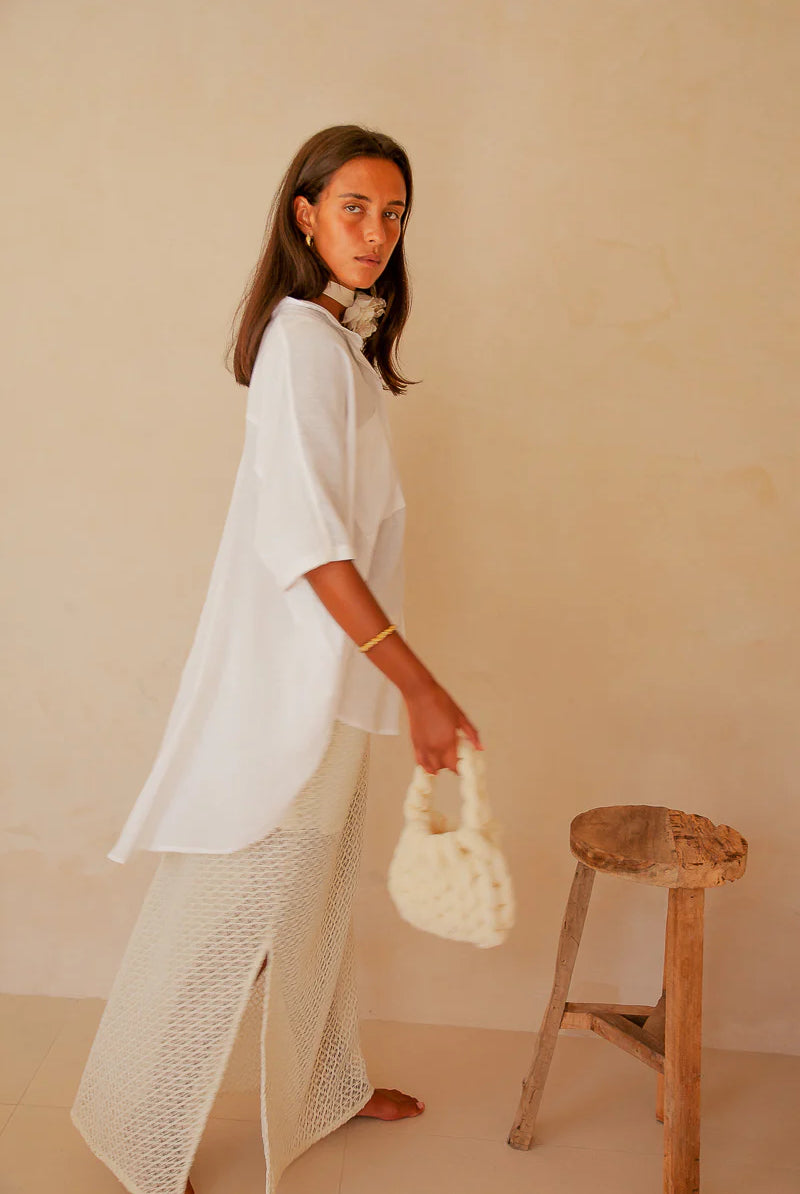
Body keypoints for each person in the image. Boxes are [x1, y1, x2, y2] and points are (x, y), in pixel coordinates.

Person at [70, 124, 483, 1194]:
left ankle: (325, 1086)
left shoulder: (336, 346)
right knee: (228, 908)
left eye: (393, 213)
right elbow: (306, 543)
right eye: (354, 207)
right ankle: (136, 1133)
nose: (376, 232)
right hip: (298, 690)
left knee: (316, 904)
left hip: (340, 686)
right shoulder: (301, 342)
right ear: (304, 215)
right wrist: (423, 688)